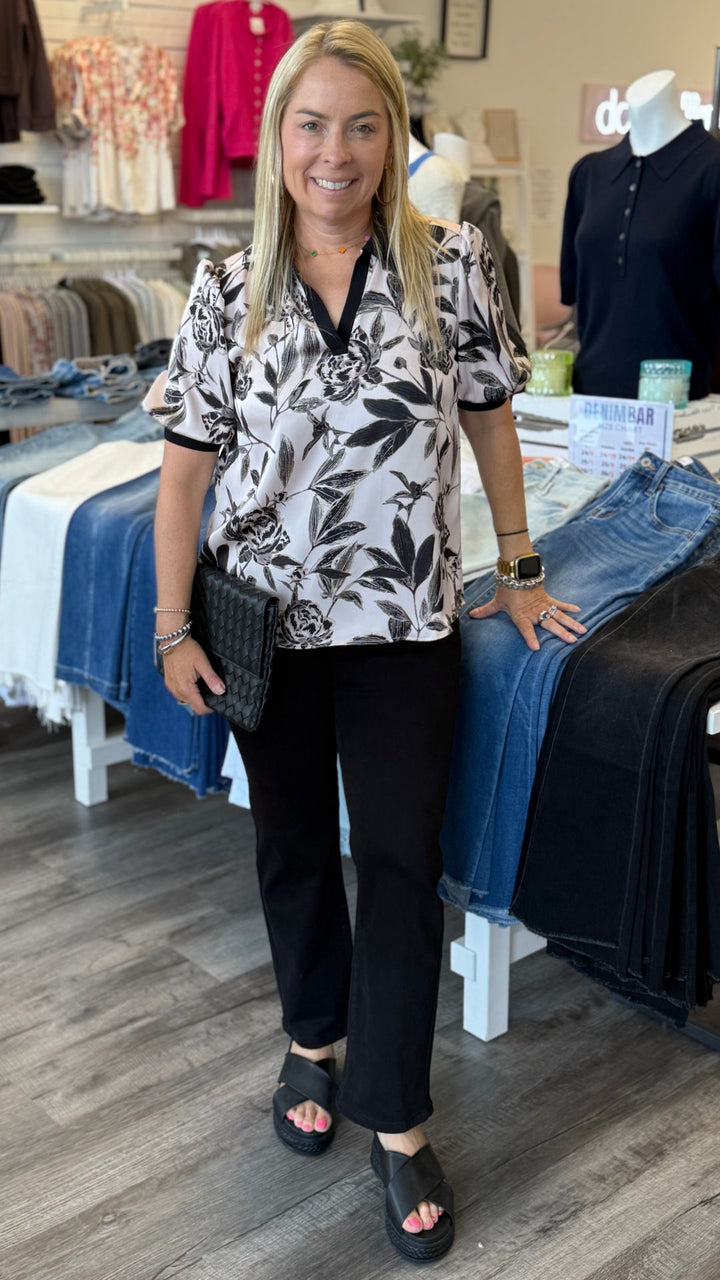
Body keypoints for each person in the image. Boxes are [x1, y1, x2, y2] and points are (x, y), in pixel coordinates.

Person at [148, 20, 584, 1264]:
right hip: (262, 623)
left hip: (403, 625)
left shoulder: (453, 266)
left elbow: (493, 420)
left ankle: (396, 1114)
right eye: (309, 123)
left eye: (361, 124)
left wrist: (518, 564)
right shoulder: (228, 287)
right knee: (289, 844)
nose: (333, 152)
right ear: (275, 137)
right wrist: (172, 621)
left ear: (393, 136)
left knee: (399, 863)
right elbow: (184, 480)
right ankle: (312, 1035)